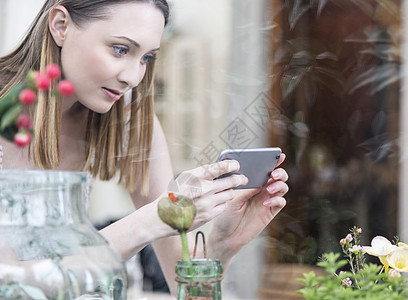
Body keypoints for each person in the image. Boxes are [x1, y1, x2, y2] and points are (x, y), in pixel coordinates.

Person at [0, 0, 289, 295]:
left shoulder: (127, 116)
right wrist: (151, 220)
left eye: (146, 58)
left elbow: (186, 289)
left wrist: (221, 244)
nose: (132, 77)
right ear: (61, 26)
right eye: (120, 49)